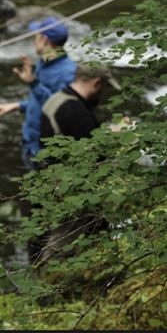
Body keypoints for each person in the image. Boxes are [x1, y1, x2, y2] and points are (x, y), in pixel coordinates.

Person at [32, 64, 120, 264]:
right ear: (97, 83)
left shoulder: (57, 99)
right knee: (64, 247)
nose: (103, 94)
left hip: (50, 181)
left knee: (53, 240)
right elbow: (94, 156)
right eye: (104, 88)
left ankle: (45, 278)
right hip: (73, 192)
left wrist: (106, 131)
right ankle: (55, 286)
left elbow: (76, 139)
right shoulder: (77, 112)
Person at [0, 16, 77, 168]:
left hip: (45, 149)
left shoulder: (68, 72)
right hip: (30, 142)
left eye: (36, 35)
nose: (34, 39)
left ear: (44, 39)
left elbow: (60, 110)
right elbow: (41, 101)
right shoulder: (44, 61)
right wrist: (16, 106)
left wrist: (32, 82)